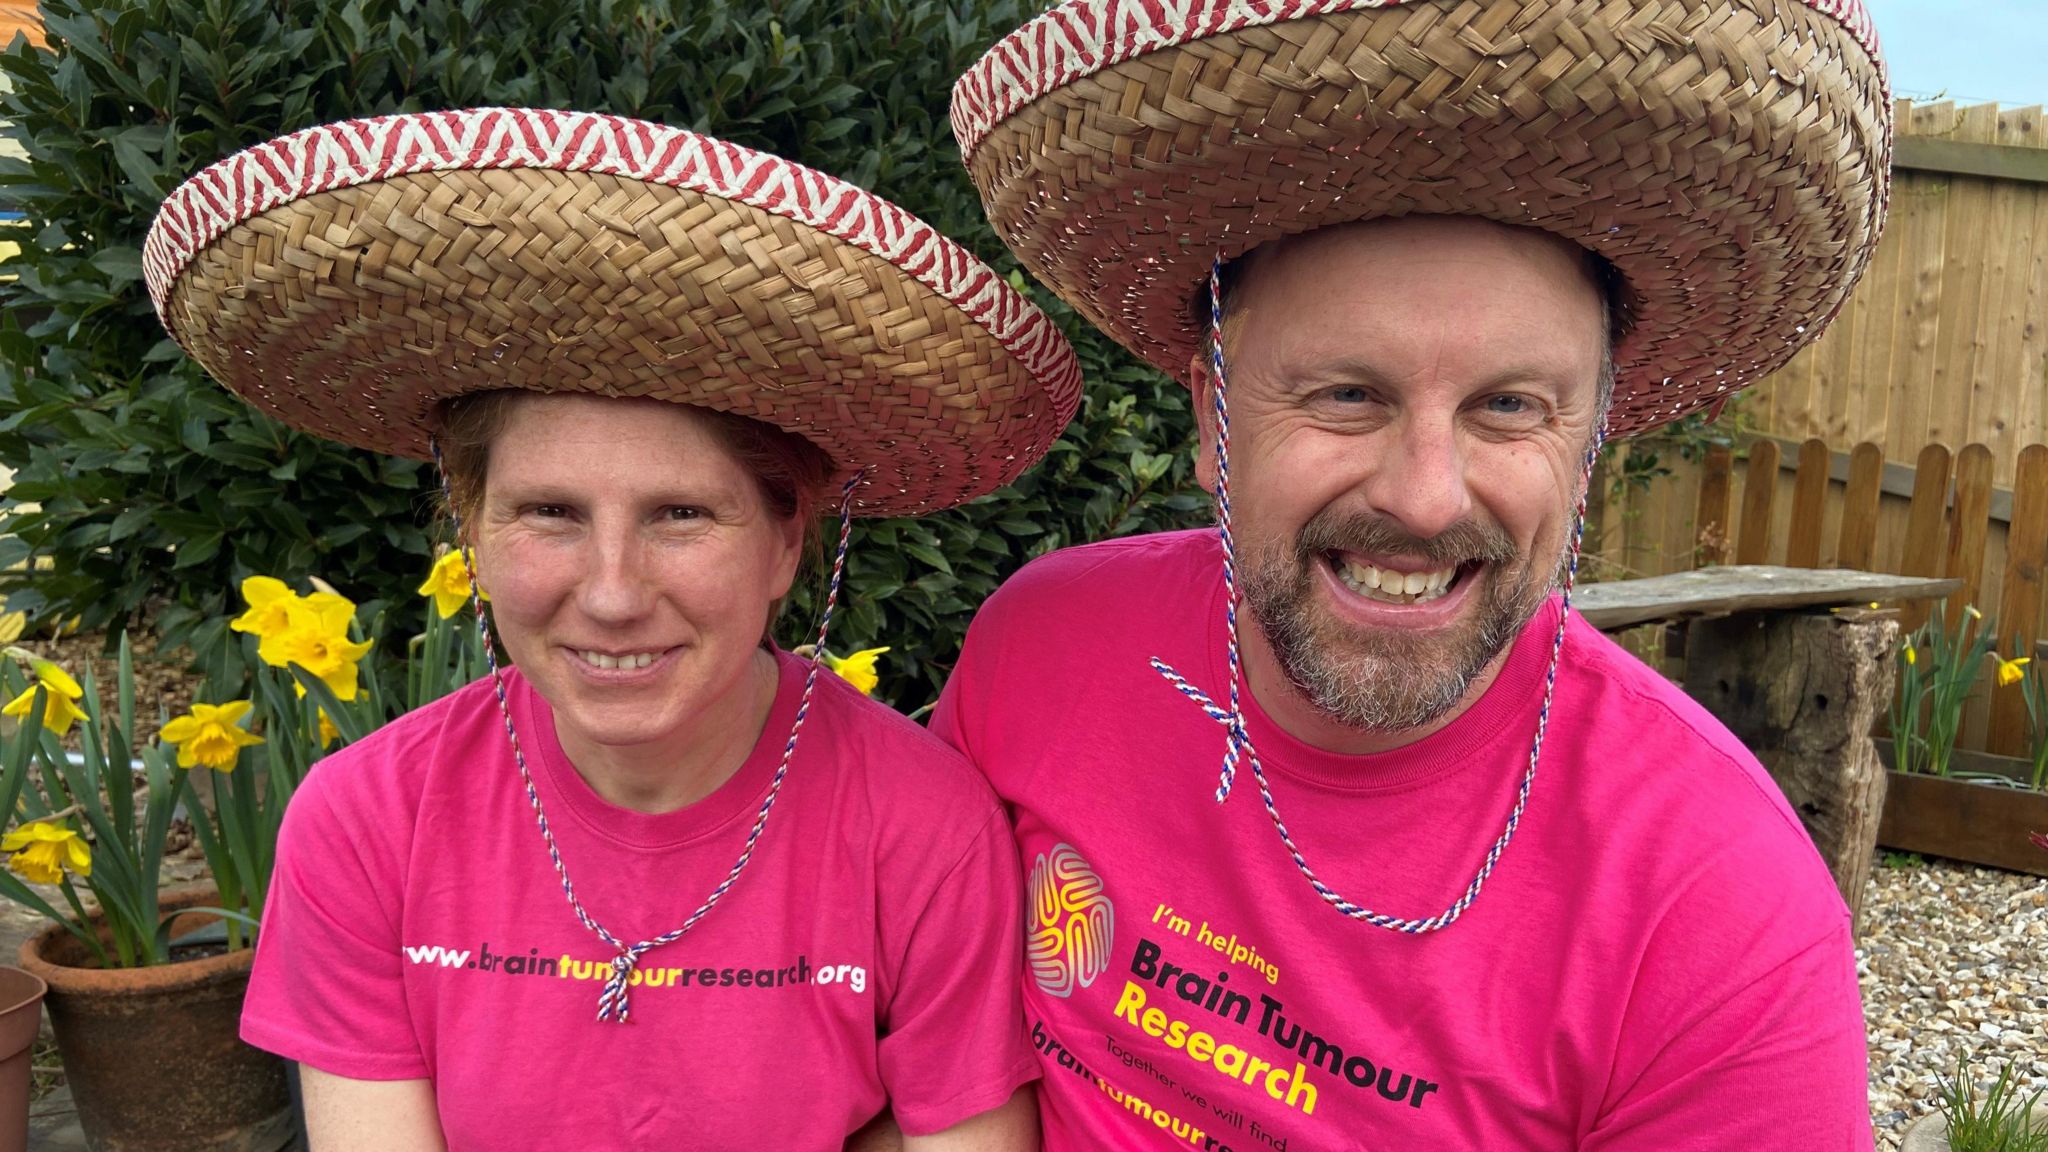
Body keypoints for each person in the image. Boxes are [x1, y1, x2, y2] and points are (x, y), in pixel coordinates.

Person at [936, 1, 1891, 1148]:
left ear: (1588, 448)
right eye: (1346, 394)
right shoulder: (1043, 650)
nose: (1425, 495)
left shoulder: (1716, 915)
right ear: (1211, 415)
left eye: (1507, 408)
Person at [142, 108, 1085, 1150]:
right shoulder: (370, 819)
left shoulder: (920, 830)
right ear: (473, 532)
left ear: (783, 545)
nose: (611, 593)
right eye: (549, 513)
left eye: (680, 516)